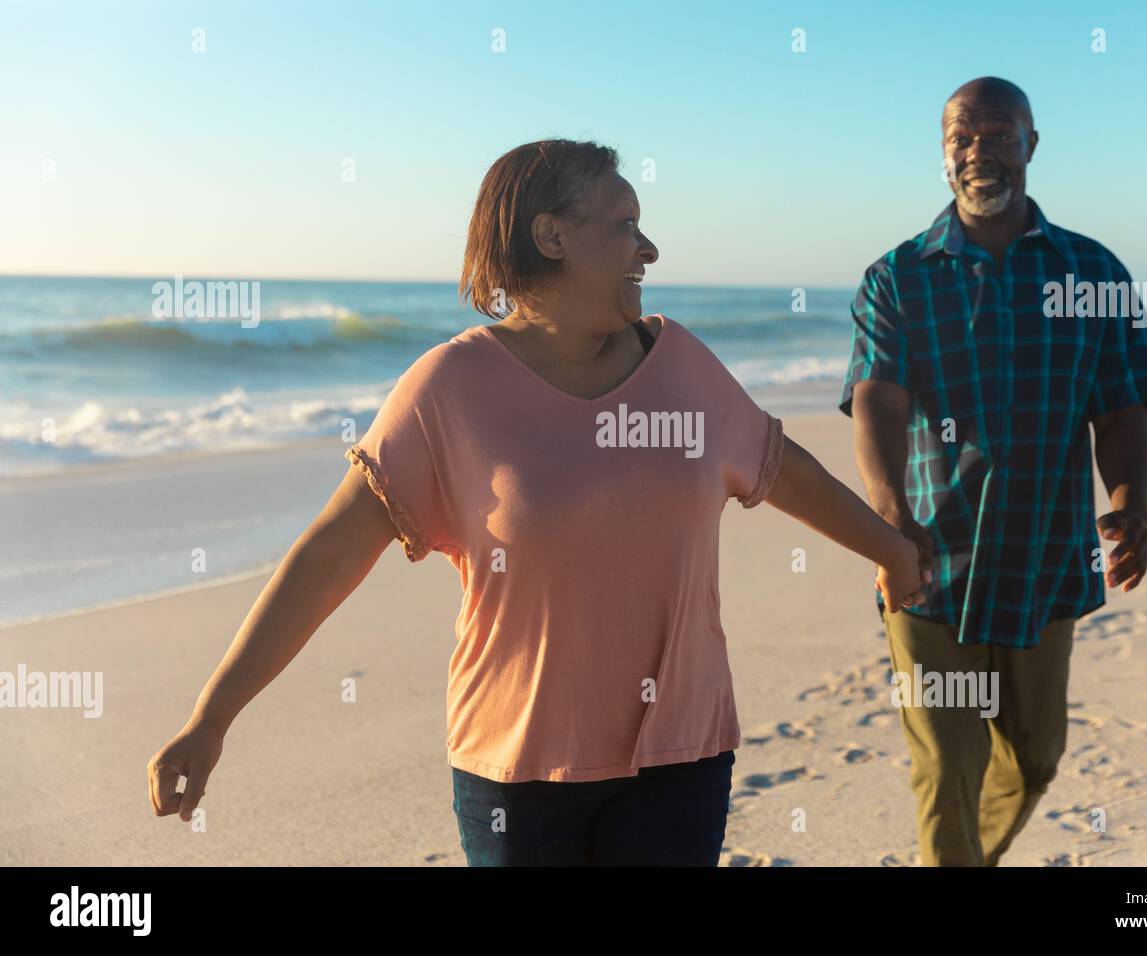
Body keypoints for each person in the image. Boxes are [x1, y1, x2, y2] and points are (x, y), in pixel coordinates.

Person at [148, 138, 926, 867]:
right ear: (550, 236)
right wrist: (211, 718)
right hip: (517, 776)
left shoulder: (683, 368)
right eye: (625, 226)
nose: (647, 250)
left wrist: (893, 553)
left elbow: (785, 472)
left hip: (682, 756)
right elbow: (326, 559)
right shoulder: (449, 390)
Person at [841, 78, 1147, 866]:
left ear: (1032, 145)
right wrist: (890, 516)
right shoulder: (898, 277)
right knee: (945, 767)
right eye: (962, 137)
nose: (978, 152)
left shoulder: (1091, 272)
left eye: (999, 135)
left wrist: (1130, 506)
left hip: (1044, 561)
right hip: (928, 566)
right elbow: (877, 407)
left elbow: (1123, 410)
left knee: (1034, 760)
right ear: (942, 152)